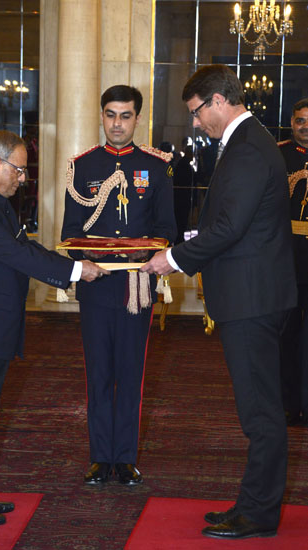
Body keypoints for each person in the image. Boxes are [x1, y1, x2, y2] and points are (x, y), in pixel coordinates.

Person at [141, 65, 297, 539]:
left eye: (195, 112)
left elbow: (230, 228)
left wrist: (173, 258)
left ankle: (259, 515)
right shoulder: (247, 141)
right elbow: (228, 221)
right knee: (258, 410)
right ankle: (252, 505)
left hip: (253, 299)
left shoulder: (248, 146)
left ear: (216, 101)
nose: (193, 123)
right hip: (251, 295)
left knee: (261, 413)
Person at [0, 130, 108, 526]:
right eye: (19, 169)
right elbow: (14, 254)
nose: (22, 178)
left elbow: (25, 247)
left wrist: (74, 263)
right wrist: (77, 271)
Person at [61, 85, 176, 486]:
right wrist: (83, 265)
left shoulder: (156, 167)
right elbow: (71, 232)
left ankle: (124, 457)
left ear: (137, 119)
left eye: (125, 116)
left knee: (130, 372)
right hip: (95, 285)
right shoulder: (84, 167)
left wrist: (144, 260)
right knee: (98, 373)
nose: (117, 123)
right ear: (101, 115)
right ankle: (99, 456)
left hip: (135, 288)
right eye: (110, 114)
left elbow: (165, 230)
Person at [278, 98, 308, 426]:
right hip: (286, 259)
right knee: (286, 336)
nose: (305, 127)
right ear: (292, 121)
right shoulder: (279, 154)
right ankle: (288, 403)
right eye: (300, 121)